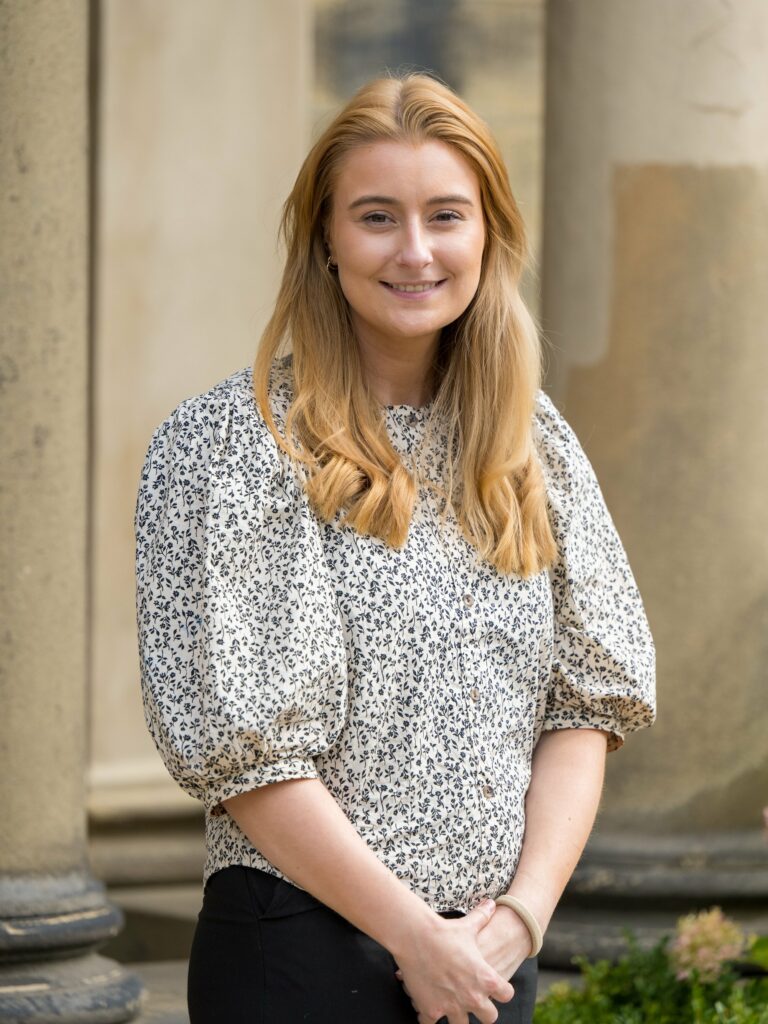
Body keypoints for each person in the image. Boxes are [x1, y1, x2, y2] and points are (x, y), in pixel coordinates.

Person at [134, 73, 656, 1024]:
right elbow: (251, 761)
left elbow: (586, 705)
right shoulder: (232, 447)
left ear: (489, 234)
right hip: (297, 956)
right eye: (377, 217)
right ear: (325, 240)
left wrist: (520, 921)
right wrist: (417, 938)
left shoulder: (532, 443)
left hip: (491, 962)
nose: (415, 251)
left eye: (446, 215)